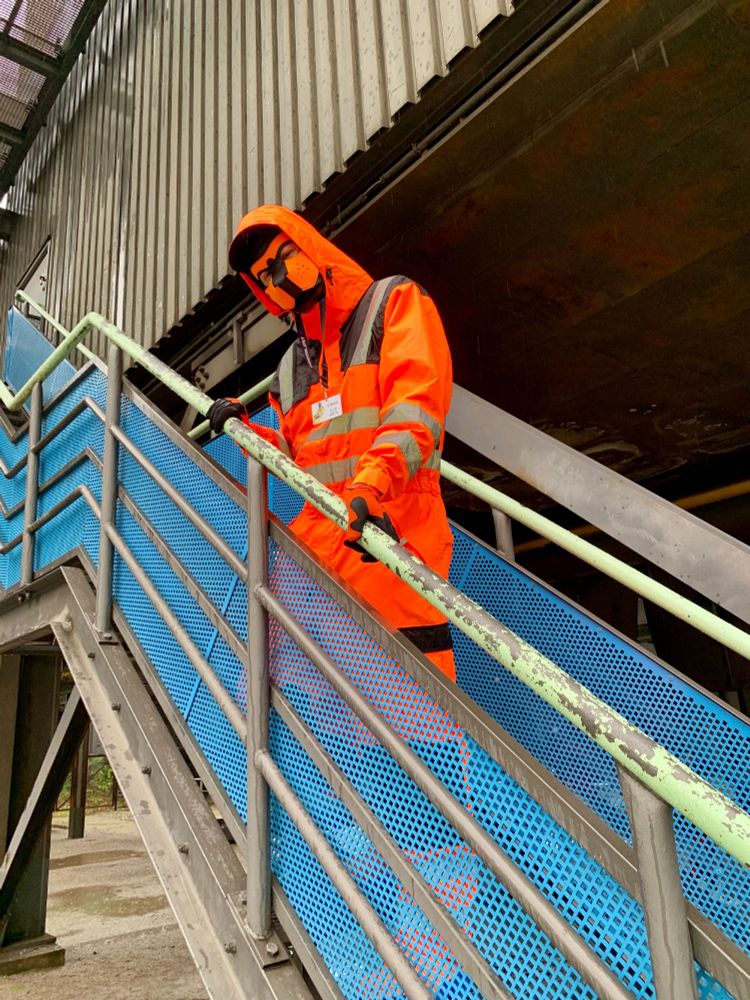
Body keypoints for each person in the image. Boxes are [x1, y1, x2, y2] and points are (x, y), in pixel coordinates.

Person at [207, 205, 456, 681]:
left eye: (283, 258)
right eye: (265, 275)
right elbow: (296, 456)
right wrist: (245, 431)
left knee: (411, 704)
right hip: (316, 546)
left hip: (386, 528)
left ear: (309, 246)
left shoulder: (393, 303)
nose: (279, 277)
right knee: (304, 700)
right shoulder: (289, 366)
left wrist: (372, 485)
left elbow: (416, 408)